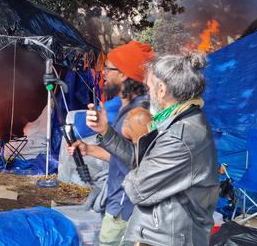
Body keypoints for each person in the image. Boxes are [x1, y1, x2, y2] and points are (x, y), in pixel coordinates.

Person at [86, 52, 220, 246]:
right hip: (164, 233)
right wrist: (105, 132)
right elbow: (142, 161)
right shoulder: (178, 121)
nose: (148, 94)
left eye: (149, 88)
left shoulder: (180, 136)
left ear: (162, 90)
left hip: (168, 238)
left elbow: (138, 187)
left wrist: (135, 173)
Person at [68, 40, 154, 246]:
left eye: (108, 68)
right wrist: (89, 149)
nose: (103, 73)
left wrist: (105, 132)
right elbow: (121, 155)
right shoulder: (127, 109)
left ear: (124, 74)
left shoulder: (139, 116)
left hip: (126, 211)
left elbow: (142, 165)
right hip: (117, 205)